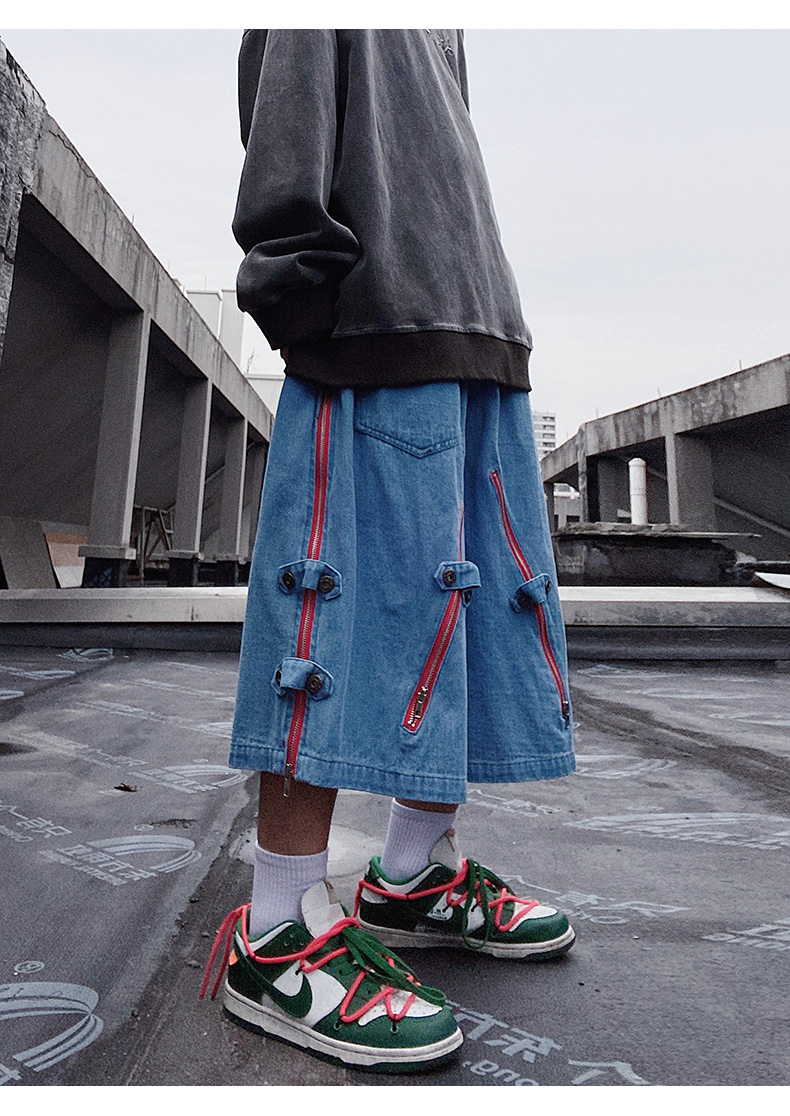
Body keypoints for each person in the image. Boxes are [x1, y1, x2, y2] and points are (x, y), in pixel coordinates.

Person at [201, 29, 576, 1074]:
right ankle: (277, 927)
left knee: (466, 619)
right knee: (321, 625)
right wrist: (315, 318)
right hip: (371, 337)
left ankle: (413, 874)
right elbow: (286, 136)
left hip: (478, 332)